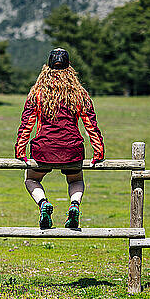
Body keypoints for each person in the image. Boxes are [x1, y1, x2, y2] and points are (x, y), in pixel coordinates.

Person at [14, 48, 104, 229]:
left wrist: (20, 151)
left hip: (44, 149)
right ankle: (74, 205)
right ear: (69, 67)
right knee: (76, 180)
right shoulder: (79, 94)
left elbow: (27, 124)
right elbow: (90, 125)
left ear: (47, 67)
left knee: (31, 179)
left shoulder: (37, 93)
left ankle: (43, 204)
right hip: (72, 149)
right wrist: (98, 151)